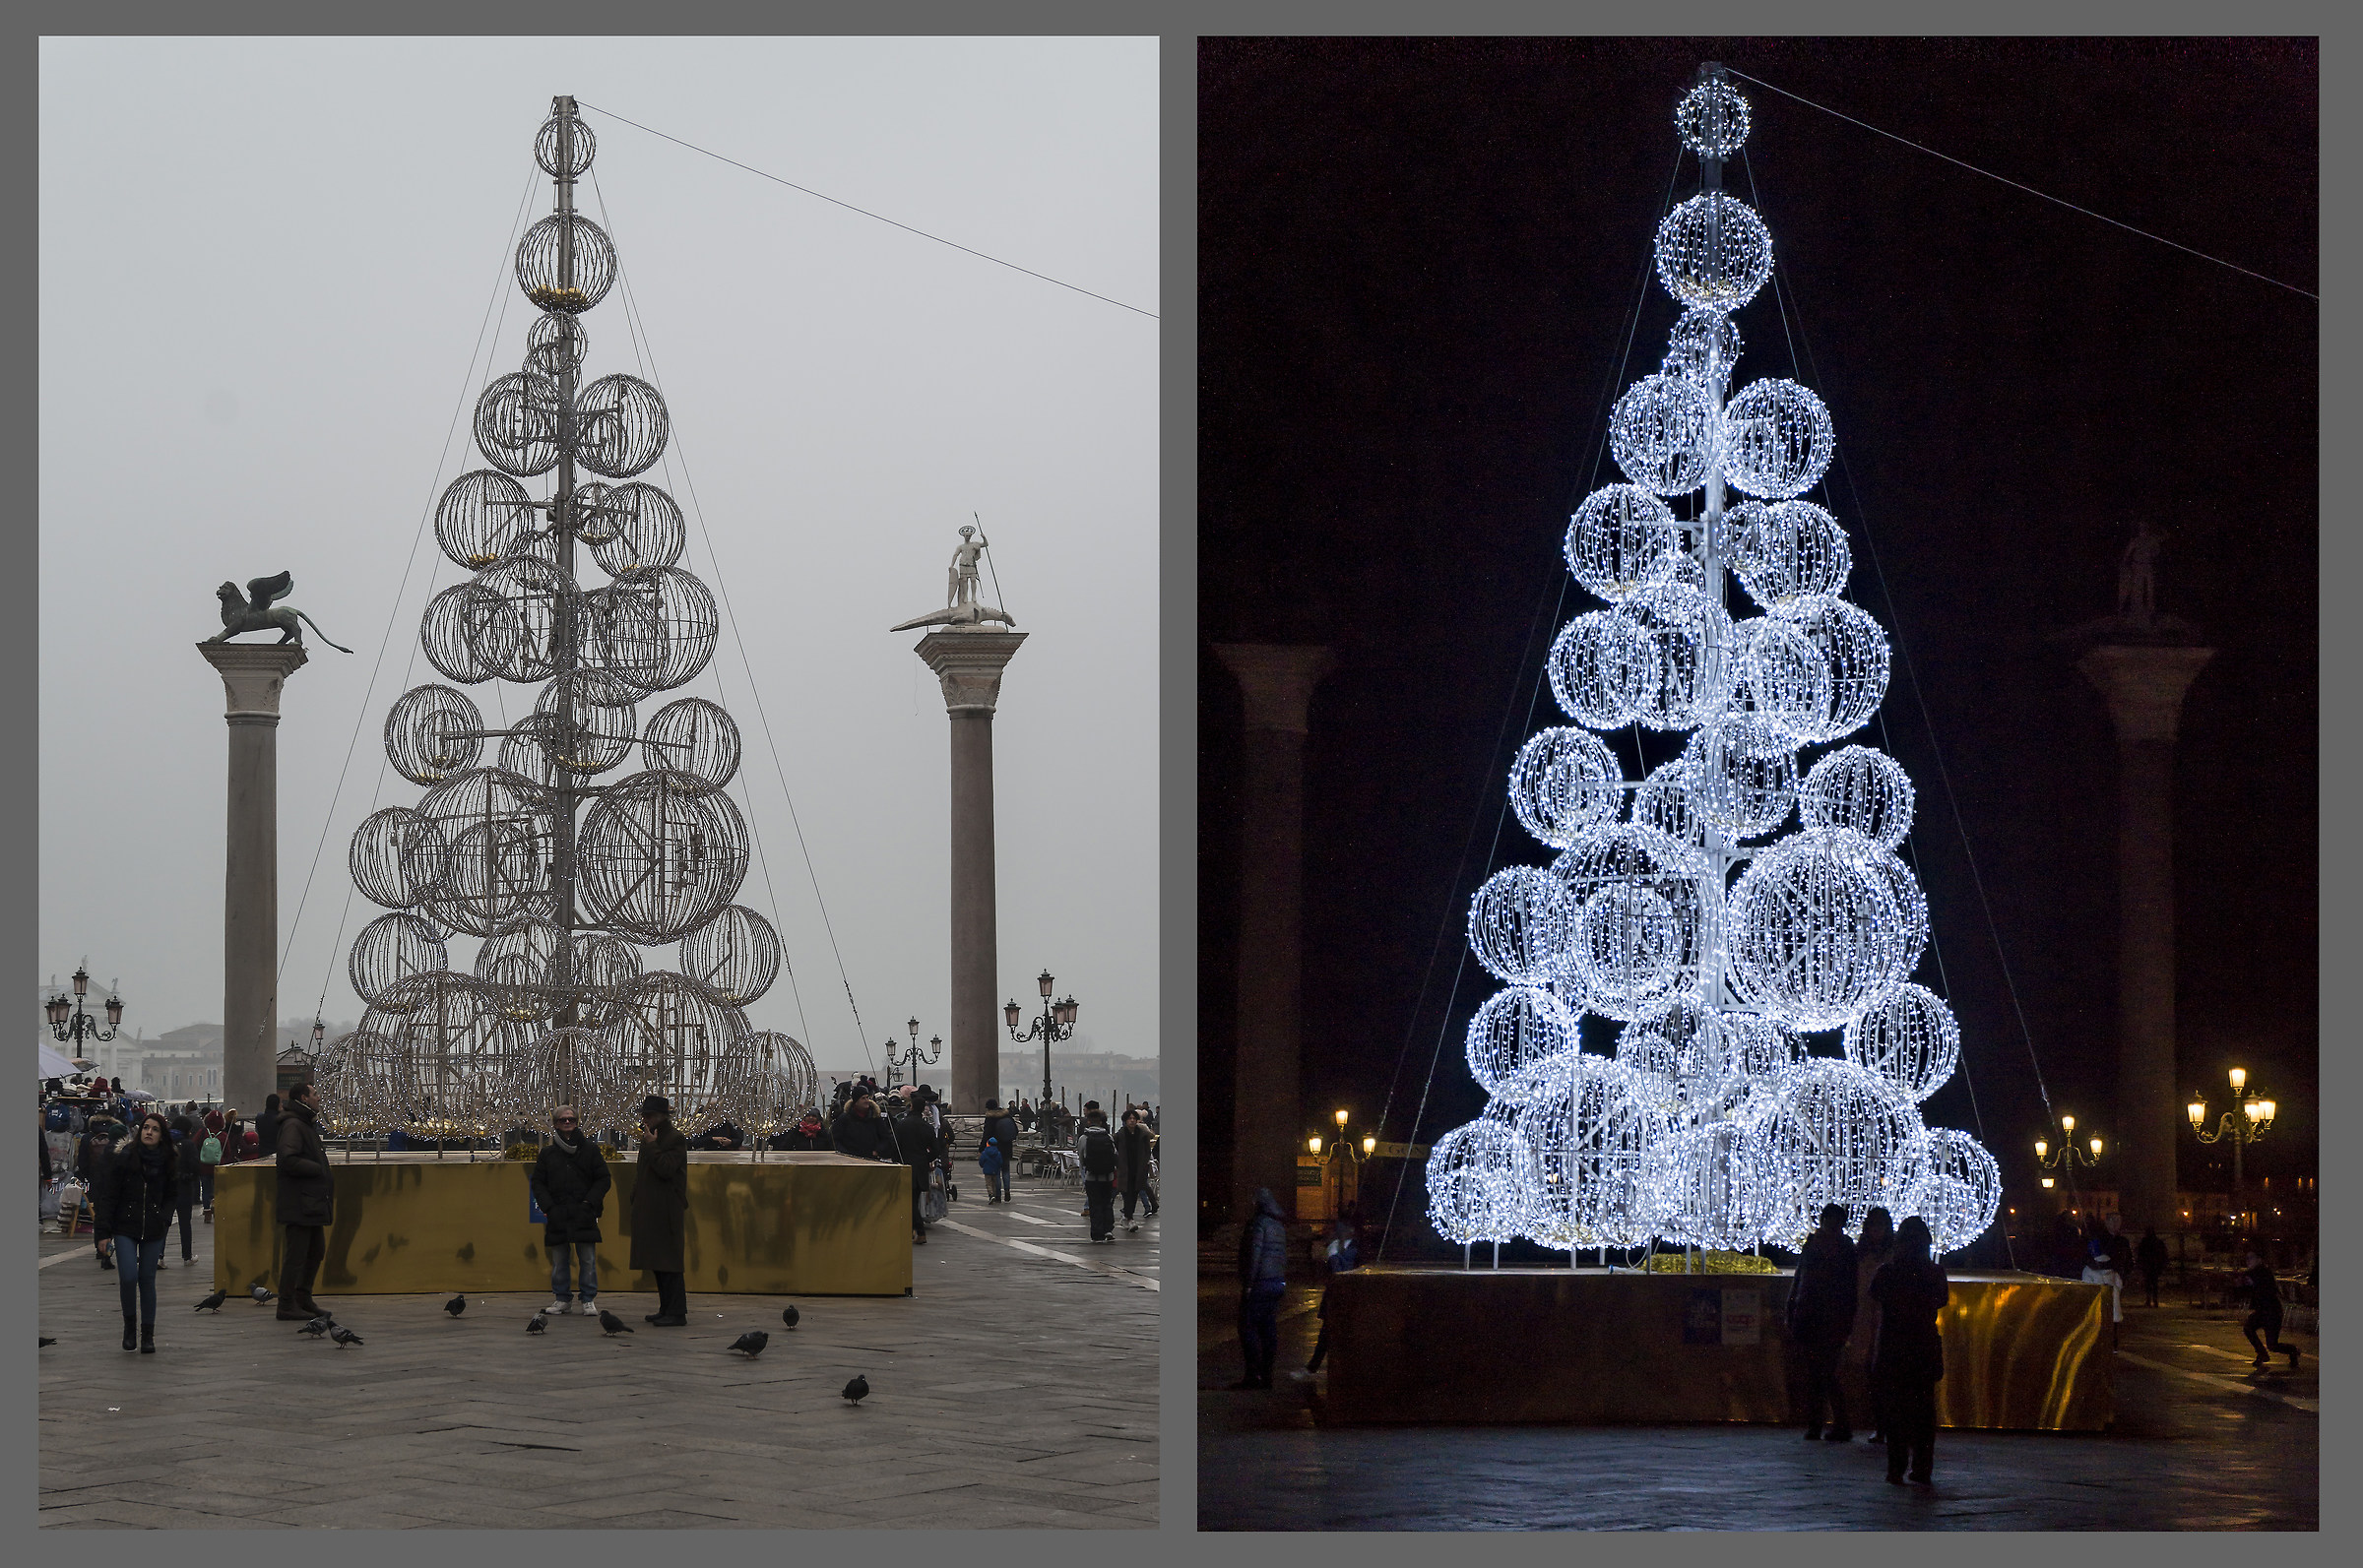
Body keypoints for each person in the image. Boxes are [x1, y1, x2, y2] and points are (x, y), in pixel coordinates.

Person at [1869, 1215, 1950, 1485]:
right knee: (1924, 1409)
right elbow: (1941, 1300)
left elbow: (1875, 1295)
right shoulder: (1934, 1272)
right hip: (1923, 1345)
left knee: (1895, 1410)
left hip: (1894, 1346)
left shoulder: (1888, 1272)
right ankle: (1923, 1466)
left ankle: (1896, 1467)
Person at [99, 1112, 180, 1352]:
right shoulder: (124, 1157)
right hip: (125, 1225)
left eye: (155, 1129)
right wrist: (103, 1233)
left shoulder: (168, 1160)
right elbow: (109, 1195)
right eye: (146, 1127)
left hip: (153, 1228)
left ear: (161, 1135)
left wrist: (164, 1217)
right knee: (128, 1277)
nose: (149, 1132)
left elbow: (173, 1194)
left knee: (147, 1280)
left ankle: (147, 1334)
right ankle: (129, 1327)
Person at [531, 1104, 612, 1316]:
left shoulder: (590, 1150)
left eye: (572, 1119)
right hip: (558, 1213)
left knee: (587, 1258)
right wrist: (549, 1207)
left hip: (583, 1212)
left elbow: (603, 1178)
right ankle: (561, 1298)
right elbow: (538, 1182)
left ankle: (588, 1299)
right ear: (556, 1124)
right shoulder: (548, 1154)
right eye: (563, 1120)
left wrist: (589, 1203)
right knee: (559, 1259)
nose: (568, 1123)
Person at [1786, 1202, 1858, 1442]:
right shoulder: (1814, 1245)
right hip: (1812, 1316)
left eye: (1835, 1220)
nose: (1831, 1224)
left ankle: (1833, 1424)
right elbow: (1801, 1278)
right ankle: (1823, 1423)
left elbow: (1848, 1287)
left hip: (1830, 1318)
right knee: (1818, 1373)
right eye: (1828, 1219)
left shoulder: (1842, 1249)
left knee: (1825, 1373)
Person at [274, 1080, 334, 1321]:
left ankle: (303, 1298)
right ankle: (286, 1304)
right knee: (296, 1255)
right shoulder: (294, 1125)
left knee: (315, 1251)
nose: (319, 1097)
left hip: (310, 1202)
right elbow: (287, 1158)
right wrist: (317, 1169)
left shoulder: (304, 1124)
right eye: (315, 1094)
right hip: (300, 1202)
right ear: (303, 1099)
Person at [631, 1095, 689, 1326]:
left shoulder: (674, 1138)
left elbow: (666, 1169)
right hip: (651, 1209)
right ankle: (666, 1308)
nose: (645, 1119)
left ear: (662, 1117)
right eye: (644, 1115)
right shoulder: (651, 1137)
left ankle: (676, 1312)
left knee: (670, 1262)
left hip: (666, 1210)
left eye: (650, 1115)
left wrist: (653, 1146)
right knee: (658, 1262)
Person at [1843, 1206, 1895, 1444]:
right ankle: (1879, 1424)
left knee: (1883, 1372)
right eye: (1873, 1226)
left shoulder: (1892, 1255)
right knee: (1870, 1372)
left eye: (1881, 1226)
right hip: (1864, 1316)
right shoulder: (1860, 1253)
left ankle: (1885, 1426)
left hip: (1885, 1318)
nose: (1877, 1231)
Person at [1233, 1187, 1289, 1389]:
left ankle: (1252, 1376)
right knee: (1268, 1329)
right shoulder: (1278, 1226)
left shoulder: (1258, 1225)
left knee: (1247, 1327)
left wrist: (1248, 1284)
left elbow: (1254, 1255)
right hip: (1276, 1282)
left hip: (1260, 1283)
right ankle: (1267, 1376)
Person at [1303, 1205, 1362, 1375]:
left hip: (1338, 1296)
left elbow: (1336, 1272)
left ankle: (1316, 1366)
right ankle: (1321, 1365)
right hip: (1344, 1295)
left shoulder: (1339, 1249)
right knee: (1333, 1331)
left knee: (1329, 1332)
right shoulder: (1351, 1248)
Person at [2239, 1249, 2299, 1369]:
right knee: (2248, 1328)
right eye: (2247, 1258)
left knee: (2272, 1345)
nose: (2248, 1261)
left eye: (2251, 1258)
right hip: (2262, 1311)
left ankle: (2292, 1350)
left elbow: (2265, 1288)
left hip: (2272, 1312)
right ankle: (2261, 1353)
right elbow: (2245, 1289)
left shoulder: (2264, 1273)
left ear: (2259, 1259)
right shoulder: (2251, 1273)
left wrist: (2251, 1283)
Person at [887, 1097, 933, 1244]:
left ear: (911, 1107)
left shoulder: (902, 1125)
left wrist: (896, 1161)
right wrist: (925, 1159)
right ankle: (912, 1230)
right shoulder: (927, 1127)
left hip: (905, 1165)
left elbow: (895, 1146)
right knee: (913, 1199)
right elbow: (936, 1149)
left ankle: (919, 1231)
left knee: (909, 1201)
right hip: (920, 1168)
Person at [1076, 1107, 1118, 1243]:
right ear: (1100, 1122)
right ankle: (1108, 1229)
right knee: (1107, 1203)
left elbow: (1081, 1157)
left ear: (1088, 1122)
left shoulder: (1084, 1138)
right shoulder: (1108, 1137)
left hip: (1092, 1176)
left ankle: (1097, 1233)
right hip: (1108, 1176)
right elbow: (1115, 1155)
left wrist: (1085, 1168)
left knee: (1095, 1204)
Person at [167, 1113, 201, 1266]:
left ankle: (159, 1256)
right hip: (184, 1187)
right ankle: (187, 1256)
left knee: (163, 1223)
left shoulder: (165, 1142)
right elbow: (195, 1166)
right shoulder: (188, 1144)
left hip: (166, 1188)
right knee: (185, 1223)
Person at [1115, 1107, 1155, 1231]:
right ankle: (1129, 1218)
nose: (1132, 1121)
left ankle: (1128, 1217)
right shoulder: (1120, 1135)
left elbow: (1148, 1149)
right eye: (1129, 1119)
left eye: (1134, 1118)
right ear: (1125, 1121)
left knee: (1134, 1193)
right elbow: (1115, 1150)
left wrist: (1144, 1164)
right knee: (1127, 1194)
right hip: (1125, 1169)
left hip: (1138, 1170)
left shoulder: (1142, 1134)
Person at [979, 1098, 1018, 1204]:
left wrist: (981, 1148)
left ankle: (998, 1195)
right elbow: (1015, 1130)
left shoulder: (991, 1118)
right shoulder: (1006, 1115)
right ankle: (1007, 1191)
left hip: (995, 1149)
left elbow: (986, 1134)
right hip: (1007, 1147)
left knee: (996, 1173)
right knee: (1006, 1171)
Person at [832, 1096, 889, 1161]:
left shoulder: (875, 1117)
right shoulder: (844, 1118)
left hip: (871, 1159)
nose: (867, 1100)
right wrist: (845, 1154)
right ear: (856, 1102)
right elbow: (835, 1139)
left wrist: (878, 1151)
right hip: (849, 1161)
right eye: (863, 1098)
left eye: (867, 1098)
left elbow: (886, 1137)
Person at [2136, 1225, 2170, 1308]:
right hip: (2155, 1265)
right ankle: (2154, 1300)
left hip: (2148, 1265)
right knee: (2154, 1283)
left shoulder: (2145, 1242)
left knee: (2148, 1283)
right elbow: (2163, 1254)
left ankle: (2149, 1299)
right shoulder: (2157, 1242)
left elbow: (2140, 1254)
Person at [254, 1093, 282, 1175]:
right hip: (276, 1154)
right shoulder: (280, 1120)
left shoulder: (259, 1118)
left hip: (262, 1153)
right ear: (277, 1105)